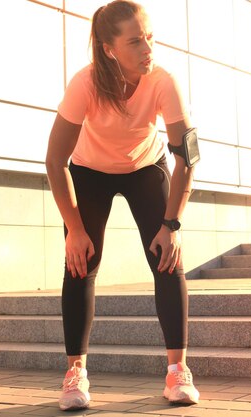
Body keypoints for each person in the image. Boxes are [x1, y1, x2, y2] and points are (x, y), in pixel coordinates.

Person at [45, 0, 200, 411]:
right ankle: (75, 373)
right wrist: (74, 229)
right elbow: (54, 160)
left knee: (167, 256)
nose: (148, 48)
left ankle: (176, 372)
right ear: (109, 48)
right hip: (89, 171)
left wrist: (173, 224)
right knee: (80, 260)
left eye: (149, 37)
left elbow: (187, 156)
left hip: (145, 168)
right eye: (135, 41)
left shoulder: (163, 80)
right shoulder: (86, 83)